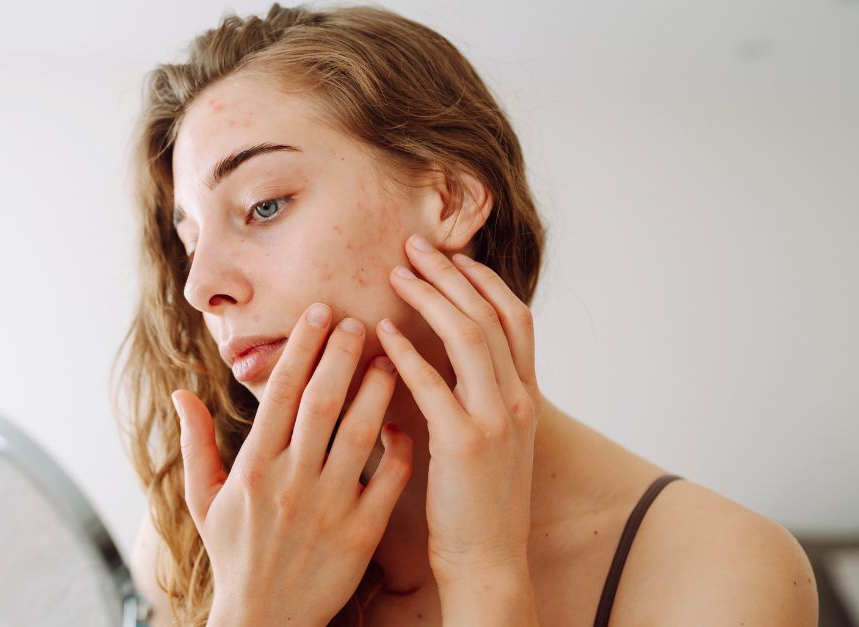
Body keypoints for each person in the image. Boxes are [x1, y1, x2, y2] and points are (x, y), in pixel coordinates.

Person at [112, 4, 818, 625]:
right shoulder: (192, 538)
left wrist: (487, 573)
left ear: (448, 200)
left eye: (264, 205)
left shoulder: (721, 567)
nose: (200, 287)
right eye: (189, 240)